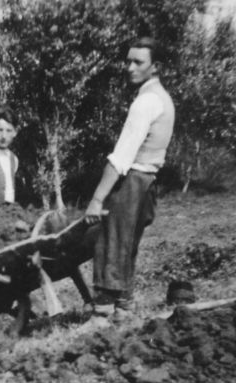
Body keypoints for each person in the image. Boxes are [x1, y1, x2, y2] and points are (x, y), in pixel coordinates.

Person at [84, 36, 175, 320]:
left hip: (133, 182)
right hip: (148, 181)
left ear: (155, 66)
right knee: (127, 246)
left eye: (138, 62)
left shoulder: (146, 102)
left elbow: (121, 157)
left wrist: (97, 199)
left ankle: (102, 313)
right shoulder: (164, 99)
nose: (130, 68)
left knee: (110, 242)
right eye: (128, 61)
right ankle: (124, 306)